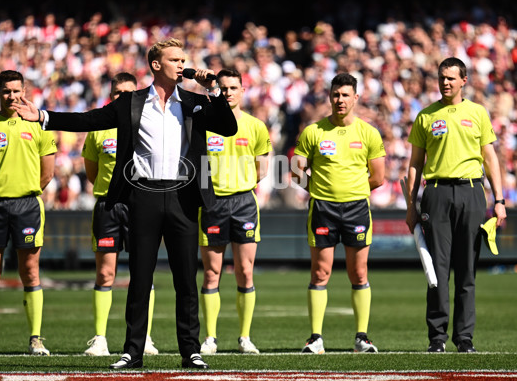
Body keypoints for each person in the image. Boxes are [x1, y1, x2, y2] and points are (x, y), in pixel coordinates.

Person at [12, 38, 237, 369]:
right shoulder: (132, 102)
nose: (182, 64)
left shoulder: (194, 101)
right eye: (174, 59)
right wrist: (44, 116)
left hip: (183, 197)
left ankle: (190, 351)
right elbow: (89, 120)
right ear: (156, 65)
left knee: (186, 279)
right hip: (142, 196)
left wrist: (214, 90)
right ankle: (133, 351)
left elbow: (228, 127)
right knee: (140, 277)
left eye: (183, 59)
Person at [404, 57, 506, 353]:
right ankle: (437, 337)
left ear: (464, 81)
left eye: (451, 78)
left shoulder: (477, 112)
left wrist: (499, 200)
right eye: (442, 77)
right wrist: (411, 205)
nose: (445, 82)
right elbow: (415, 165)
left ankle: (464, 338)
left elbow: (490, 159)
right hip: (435, 194)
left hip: (472, 192)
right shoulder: (425, 116)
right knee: (437, 269)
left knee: (467, 271)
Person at [0, 70, 57, 356]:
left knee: (30, 271)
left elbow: (47, 173)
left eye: (16, 91)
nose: (12, 96)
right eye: (6, 91)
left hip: (27, 206)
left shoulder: (40, 126)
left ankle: (36, 339)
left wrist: (22, 189)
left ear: (24, 91)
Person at [291, 72, 385, 354]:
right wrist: (319, 187)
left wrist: (353, 189)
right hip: (322, 208)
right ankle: (315, 338)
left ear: (356, 98)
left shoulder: (368, 132)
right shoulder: (313, 132)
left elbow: (378, 177)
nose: (340, 100)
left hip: (357, 208)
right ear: (329, 97)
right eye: (336, 94)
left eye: (345, 95)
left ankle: (362, 337)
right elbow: (296, 171)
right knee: (320, 272)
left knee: (359, 272)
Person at [82, 72, 158, 356]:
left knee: (143, 273)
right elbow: (92, 172)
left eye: (129, 93)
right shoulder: (98, 128)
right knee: (105, 272)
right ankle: (100, 337)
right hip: (108, 206)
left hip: (142, 204)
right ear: (110, 95)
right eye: (117, 94)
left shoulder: (148, 125)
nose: (123, 98)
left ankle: (145, 336)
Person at [198, 68, 271, 355]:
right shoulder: (205, 123)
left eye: (233, 88)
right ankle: (211, 338)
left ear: (242, 91)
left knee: (245, 271)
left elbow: (262, 169)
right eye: (223, 88)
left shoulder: (255, 126)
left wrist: (240, 184)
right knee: (211, 273)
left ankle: (244, 337)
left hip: (243, 203)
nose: (227, 92)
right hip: (212, 203)